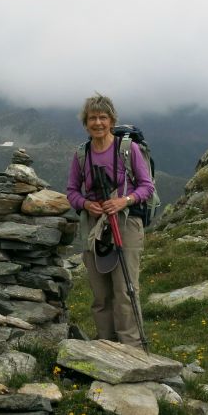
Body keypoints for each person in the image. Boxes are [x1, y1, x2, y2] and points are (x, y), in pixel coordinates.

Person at [66, 93, 154, 348]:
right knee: (100, 291)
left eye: (103, 117)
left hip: (126, 223)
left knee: (125, 289)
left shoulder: (128, 149)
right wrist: (85, 204)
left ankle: (131, 347)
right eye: (92, 118)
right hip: (95, 227)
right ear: (86, 123)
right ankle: (106, 345)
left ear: (112, 120)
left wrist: (123, 200)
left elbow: (147, 187)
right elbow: (71, 191)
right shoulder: (82, 154)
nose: (98, 123)